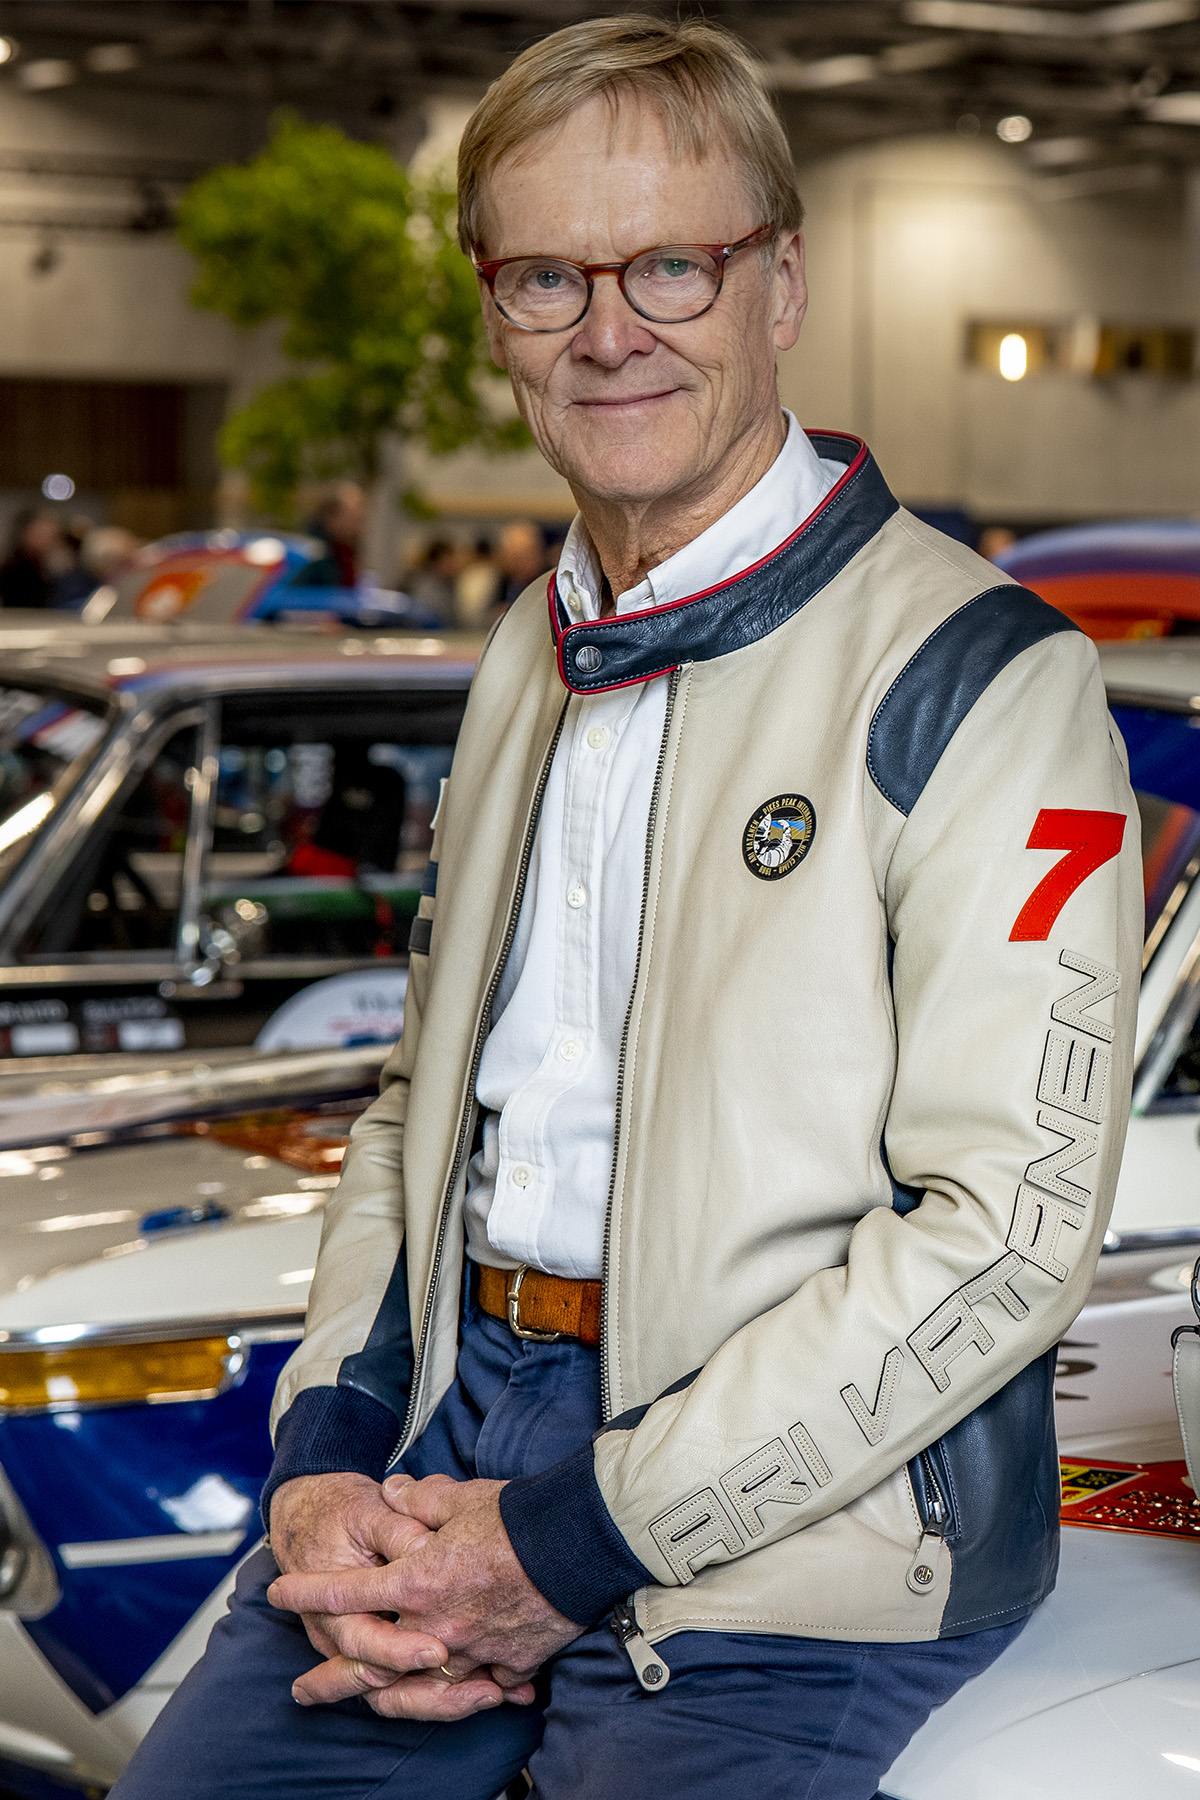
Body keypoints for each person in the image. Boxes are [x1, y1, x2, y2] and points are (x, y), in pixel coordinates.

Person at [114, 15, 1142, 1800]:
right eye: (544, 278)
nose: (609, 332)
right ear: (494, 315)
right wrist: (328, 1448)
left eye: (673, 265)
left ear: (781, 284)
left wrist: (574, 1539)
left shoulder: (984, 679)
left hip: (813, 1523)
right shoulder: (531, 650)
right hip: (453, 1428)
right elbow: (415, 1109)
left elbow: (1005, 1230)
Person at [0, 507, 62, 608]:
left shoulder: (45, 565)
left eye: (53, 536)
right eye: (42, 535)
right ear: (26, 533)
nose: (50, 541)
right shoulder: (16, 568)